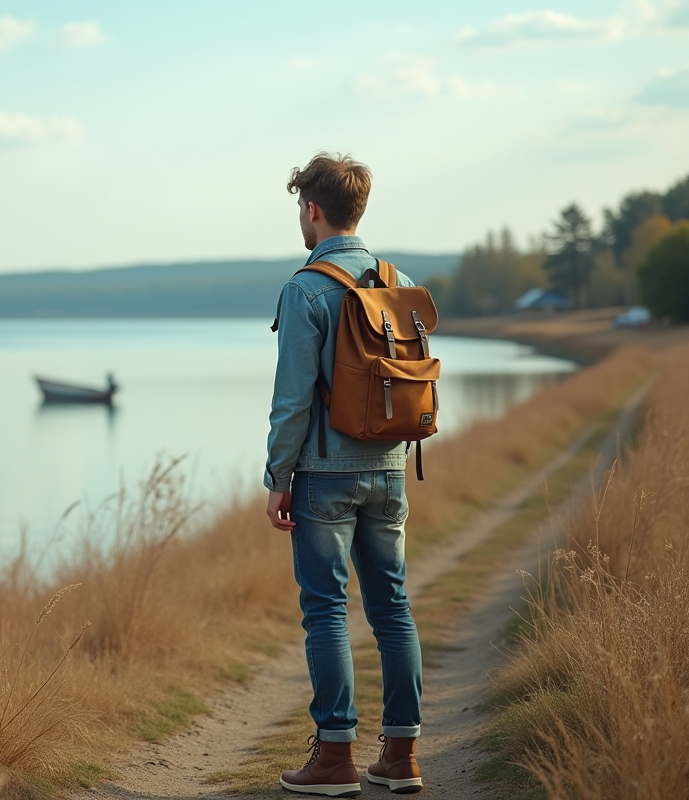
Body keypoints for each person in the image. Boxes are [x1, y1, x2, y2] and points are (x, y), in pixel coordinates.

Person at [265, 153, 424, 796]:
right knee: (393, 607)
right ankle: (402, 755)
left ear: (313, 209)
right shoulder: (398, 281)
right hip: (389, 468)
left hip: (324, 474)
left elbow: (293, 398)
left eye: (300, 208)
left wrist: (279, 476)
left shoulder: (304, 288)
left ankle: (334, 760)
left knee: (326, 609)